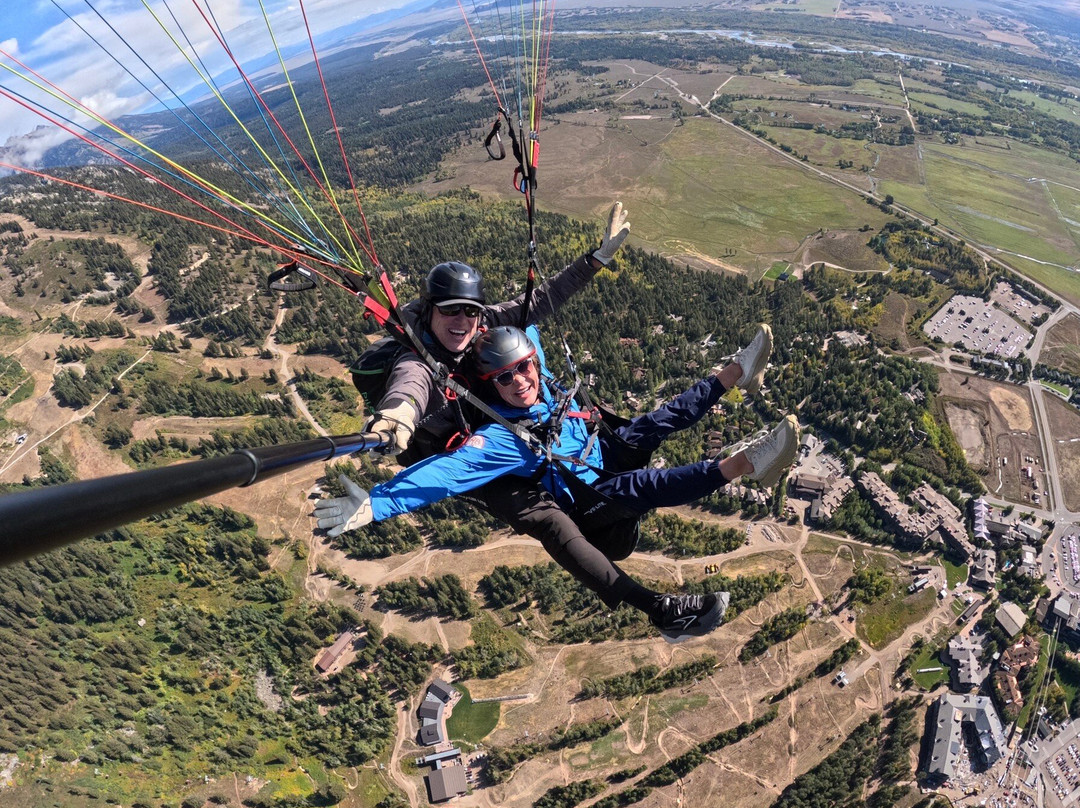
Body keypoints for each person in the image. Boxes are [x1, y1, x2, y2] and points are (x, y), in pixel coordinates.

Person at [316, 323, 801, 643]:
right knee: (642, 486)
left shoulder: (541, 376)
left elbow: (533, 313)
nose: (521, 382)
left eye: (524, 368)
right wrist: (377, 504)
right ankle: (750, 464)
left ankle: (738, 370)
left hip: (600, 453)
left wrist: (594, 260)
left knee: (655, 422)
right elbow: (446, 474)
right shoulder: (501, 437)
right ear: (493, 387)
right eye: (506, 378)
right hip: (590, 505)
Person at [361, 202, 630, 466]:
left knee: (523, 329)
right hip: (468, 446)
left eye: (470, 310)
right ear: (429, 310)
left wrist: (596, 260)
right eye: (450, 309)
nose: (462, 320)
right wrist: (398, 415)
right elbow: (410, 386)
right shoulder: (418, 357)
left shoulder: (484, 320)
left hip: (496, 409)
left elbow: (540, 300)